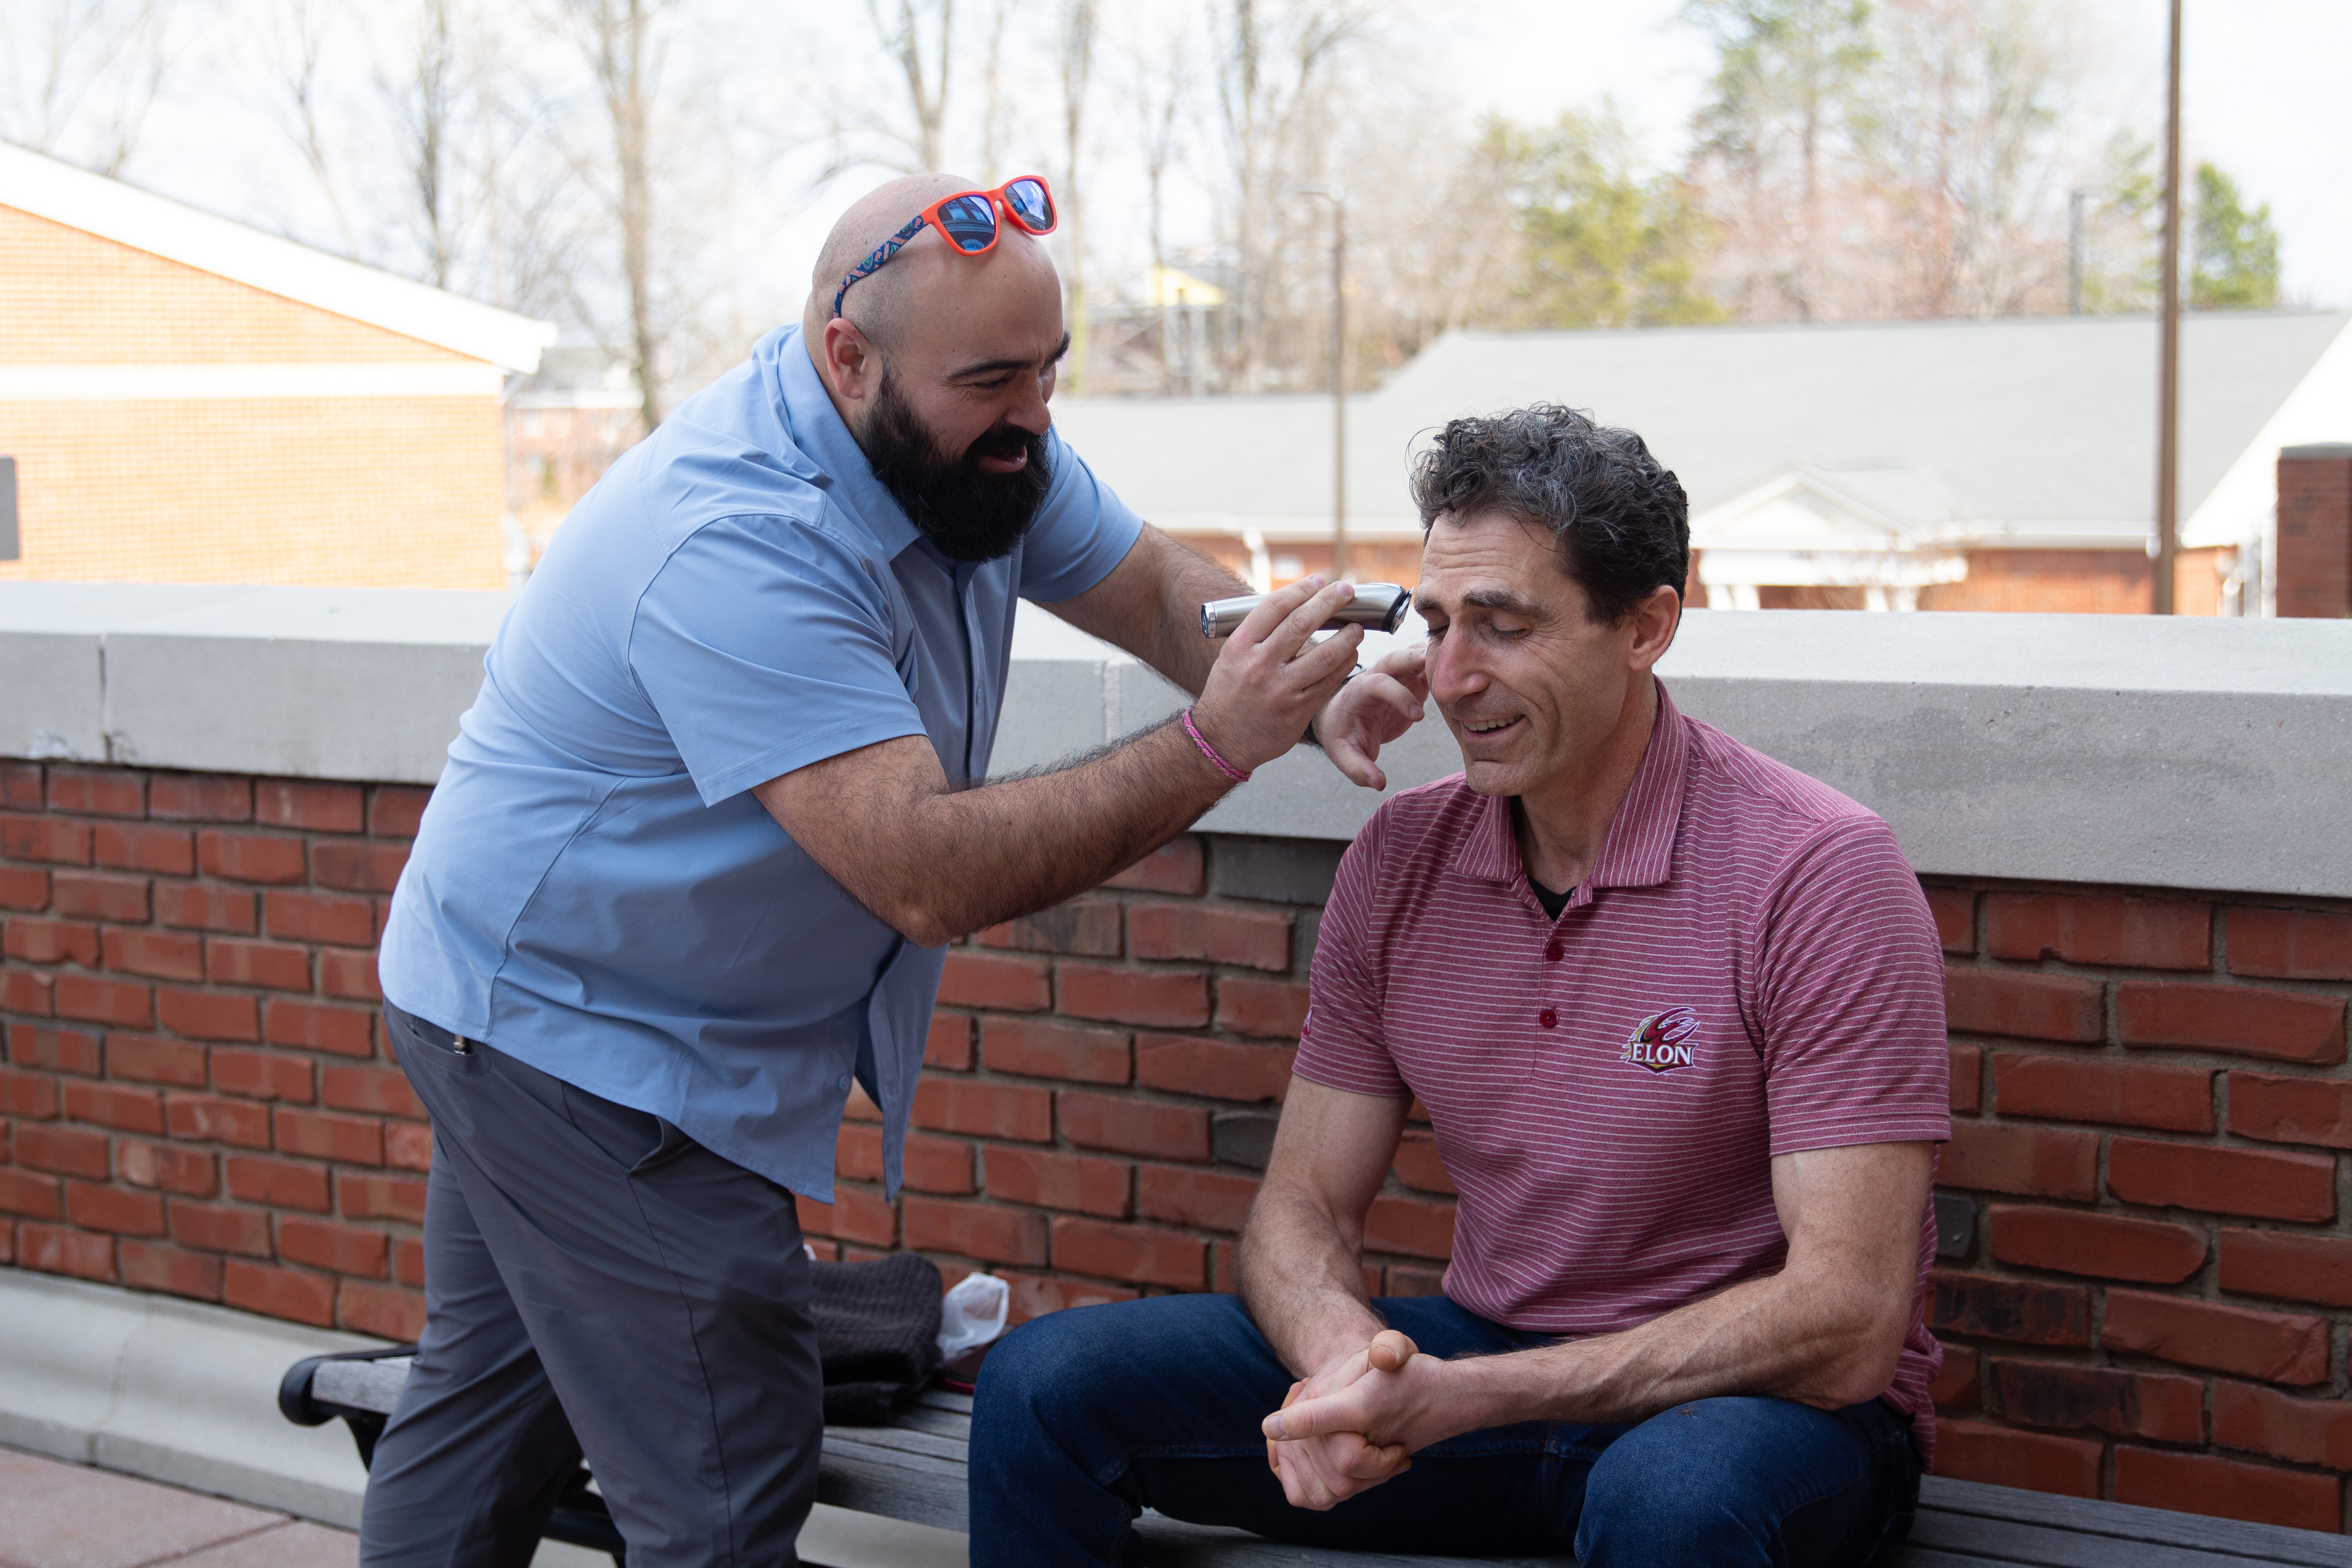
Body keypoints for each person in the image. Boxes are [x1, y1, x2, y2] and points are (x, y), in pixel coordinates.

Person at [358, 172, 1415, 1567]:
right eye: (994, 379)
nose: (1033, 417)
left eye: (1049, 371)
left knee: (487, 1415)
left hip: (515, 992)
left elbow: (1157, 586)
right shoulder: (737, 540)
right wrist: (1217, 746)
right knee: (726, 1490)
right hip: (584, 1044)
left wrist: (1302, 685)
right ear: (848, 357)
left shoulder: (969, 436)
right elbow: (921, 870)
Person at [969, 403, 1952, 1568]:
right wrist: (1349, 1369)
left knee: (1670, 1507)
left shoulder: (1814, 869)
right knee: (1041, 1386)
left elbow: (1845, 1323)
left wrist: (1469, 1400)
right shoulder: (1404, 858)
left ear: (1646, 627)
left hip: (1756, 1416)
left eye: (1505, 627)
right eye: (1436, 624)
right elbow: (1300, 1213)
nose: (1452, 676)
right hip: (1481, 1372)